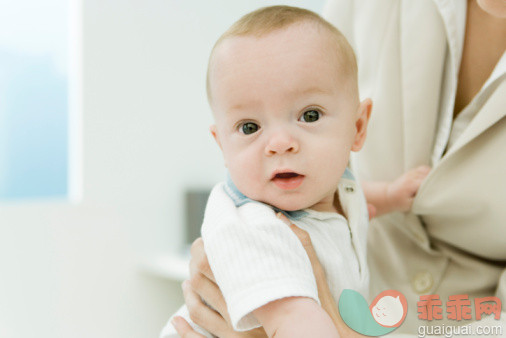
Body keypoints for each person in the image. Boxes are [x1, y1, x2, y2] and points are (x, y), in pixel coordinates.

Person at [172, 0, 506, 337]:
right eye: (248, 127)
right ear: (222, 146)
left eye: (310, 115)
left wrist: (390, 196)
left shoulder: (324, 186)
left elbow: (352, 196)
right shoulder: (260, 231)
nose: (279, 143)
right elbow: (295, 323)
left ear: (358, 127)